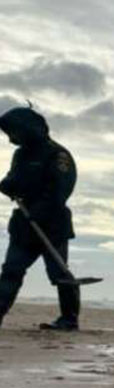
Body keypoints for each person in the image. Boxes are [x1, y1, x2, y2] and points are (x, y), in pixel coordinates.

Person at [0, 107, 78, 331]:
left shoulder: (57, 154)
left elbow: (60, 189)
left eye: (13, 132)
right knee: (11, 270)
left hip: (52, 225)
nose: (11, 139)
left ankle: (69, 319)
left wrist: (41, 210)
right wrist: (7, 185)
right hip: (24, 225)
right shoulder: (21, 154)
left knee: (59, 272)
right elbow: (13, 179)